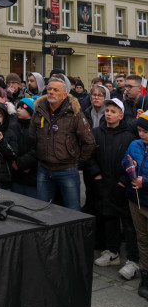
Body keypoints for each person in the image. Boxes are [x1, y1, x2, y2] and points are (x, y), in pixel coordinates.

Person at [87, 98, 139, 280]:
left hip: (122, 187)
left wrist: (123, 181)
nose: (108, 113)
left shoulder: (129, 137)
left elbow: (133, 161)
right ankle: (112, 252)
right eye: (107, 110)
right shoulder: (96, 133)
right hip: (104, 184)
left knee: (128, 223)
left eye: (113, 111)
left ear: (121, 115)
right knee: (108, 218)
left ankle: (133, 259)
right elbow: (89, 156)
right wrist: (97, 175)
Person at [29, 75, 95, 210]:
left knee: (73, 210)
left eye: (55, 90)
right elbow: (32, 137)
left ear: (65, 95)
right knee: (42, 210)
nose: (51, 92)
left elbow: (89, 142)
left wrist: (76, 160)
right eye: (49, 89)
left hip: (67, 170)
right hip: (44, 169)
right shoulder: (39, 111)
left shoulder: (75, 113)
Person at [122, 112, 148, 300]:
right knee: (143, 239)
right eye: (139, 131)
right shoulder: (134, 144)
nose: (141, 135)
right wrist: (129, 166)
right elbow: (125, 160)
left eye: (145, 132)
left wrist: (144, 181)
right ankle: (146, 276)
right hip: (136, 200)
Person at [11, 97, 38, 197]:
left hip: (31, 173)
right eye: (18, 108)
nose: (18, 110)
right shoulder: (13, 126)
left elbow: (37, 150)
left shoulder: (36, 128)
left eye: (22, 108)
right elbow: (10, 146)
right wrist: (15, 162)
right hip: (16, 174)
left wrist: (22, 164)